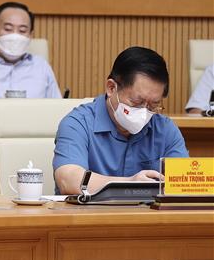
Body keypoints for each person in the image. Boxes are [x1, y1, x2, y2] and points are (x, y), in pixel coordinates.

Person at [53, 46, 188, 195]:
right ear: (111, 88)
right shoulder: (77, 123)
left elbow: (183, 185)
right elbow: (68, 181)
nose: (144, 112)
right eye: (136, 102)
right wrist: (130, 184)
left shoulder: (165, 129)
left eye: (153, 105)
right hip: (90, 211)